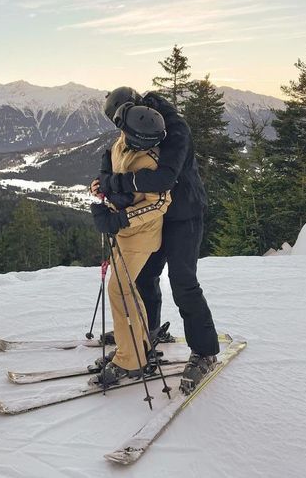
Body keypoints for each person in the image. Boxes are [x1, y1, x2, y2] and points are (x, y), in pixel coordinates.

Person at [91, 87, 219, 392]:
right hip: (155, 219)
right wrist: (106, 183)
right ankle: (142, 336)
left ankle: (204, 351)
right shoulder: (140, 126)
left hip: (184, 215)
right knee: (146, 277)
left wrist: (113, 183)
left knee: (183, 281)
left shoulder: (174, 129)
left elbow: (163, 178)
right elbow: (117, 159)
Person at [90, 102, 171, 386]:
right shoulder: (121, 145)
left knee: (120, 291)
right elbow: (111, 175)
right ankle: (136, 346)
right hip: (122, 233)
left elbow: (160, 202)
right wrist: (100, 187)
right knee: (128, 292)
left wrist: (122, 218)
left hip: (140, 236)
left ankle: (131, 360)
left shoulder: (149, 160)